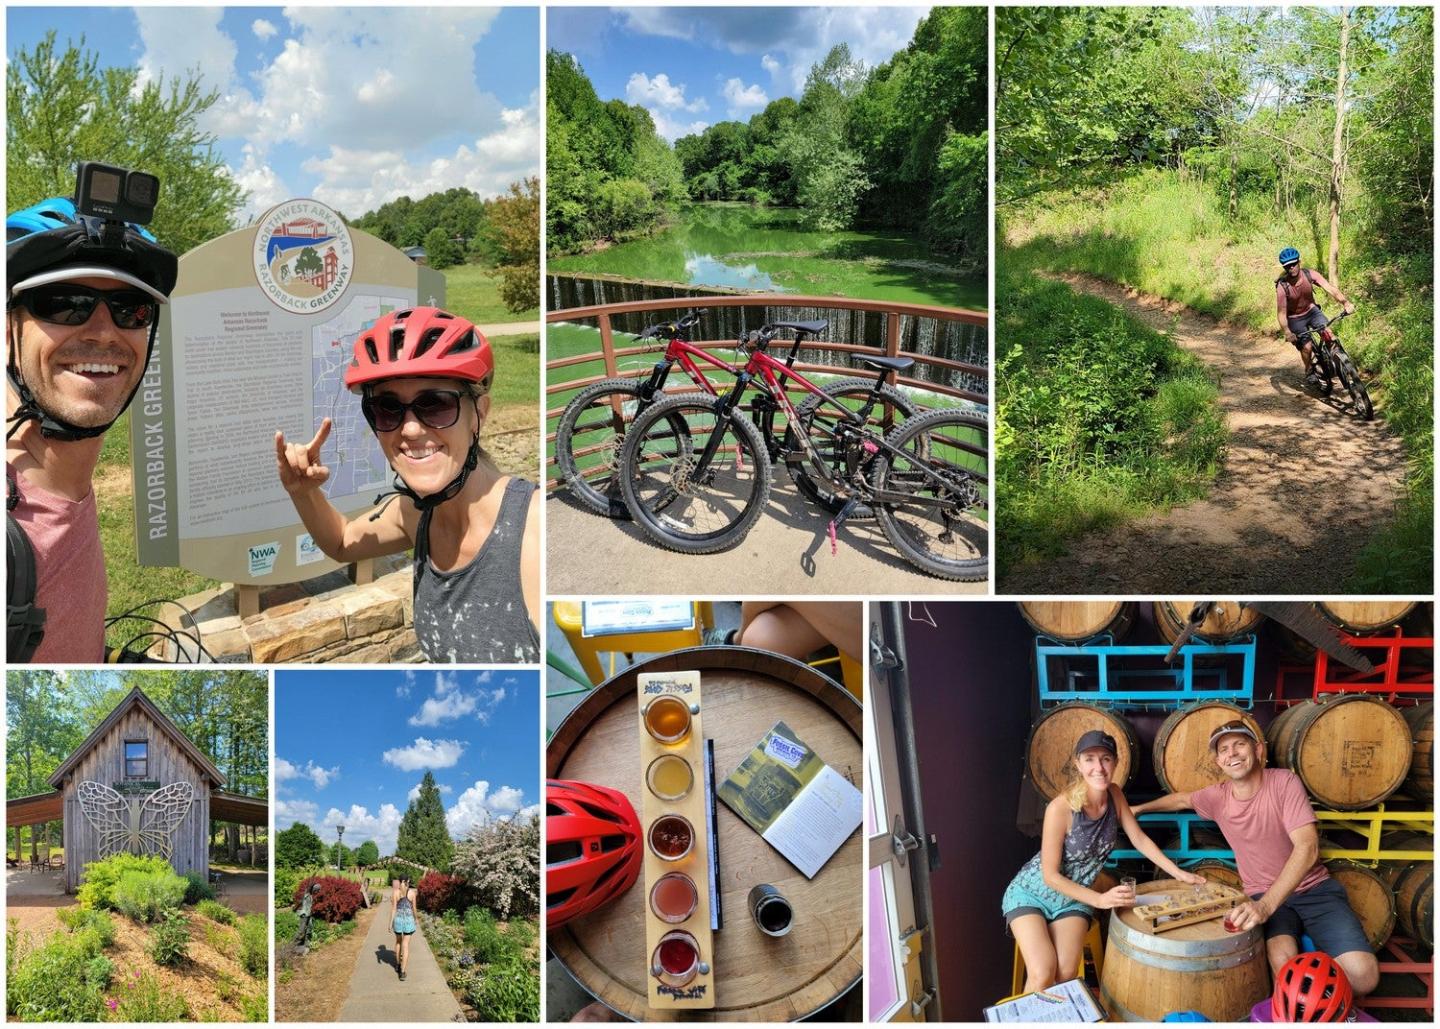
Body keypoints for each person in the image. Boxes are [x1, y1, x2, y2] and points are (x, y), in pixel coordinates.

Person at [274, 306, 539, 663]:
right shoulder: (415, 514)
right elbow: (341, 541)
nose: (410, 429)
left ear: (480, 414)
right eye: (388, 408)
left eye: (435, 405)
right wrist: (304, 492)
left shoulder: (532, 533)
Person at [6, 195, 178, 661]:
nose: (104, 331)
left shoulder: (64, 479)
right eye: (64, 304)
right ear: (7, 329)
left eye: (132, 308)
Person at [1131, 719, 1379, 997]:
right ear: (1218, 762)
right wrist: (1138, 809)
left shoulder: (1284, 782)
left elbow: (1307, 848)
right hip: (1262, 895)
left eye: (1239, 744)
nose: (1232, 753)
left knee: (1363, 977)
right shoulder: (1218, 797)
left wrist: (1265, 907)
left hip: (1314, 890)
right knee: (1284, 971)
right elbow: (1180, 800)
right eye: (1223, 749)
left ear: (1258, 750)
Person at [1003, 730, 1205, 994]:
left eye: (1106, 759)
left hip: (1076, 898)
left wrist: (1179, 873)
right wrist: (1099, 900)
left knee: (1064, 973)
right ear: (1078, 764)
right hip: (1032, 894)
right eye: (1089, 759)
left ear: (1116, 763)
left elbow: (1140, 840)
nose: (1098, 767)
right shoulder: (1060, 808)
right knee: (1042, 973)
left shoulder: (1115, 795)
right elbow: (1050, 876)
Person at [1275, 247, 1355, 387]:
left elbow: (1329, 288)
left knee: (1329, 334)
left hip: (1312, 311)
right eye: (1288, 266)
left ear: (1299, 262)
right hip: (1295, 318)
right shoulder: (1282, 286)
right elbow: (1281, 313)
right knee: (1306, 347)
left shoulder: (1309, 274)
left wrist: (1345, 302)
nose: (1292, 268)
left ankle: (1341, 364)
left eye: (1294, 264)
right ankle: (1309, 370)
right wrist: (1287, 332)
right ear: (1285, 267)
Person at [391, 873, 418, 981]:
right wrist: (416, 919)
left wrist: (390, 923)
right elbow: (414, 909)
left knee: (398, 942)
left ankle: (397, 964)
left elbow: (393, 909)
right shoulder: (412, 893)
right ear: (407, 881)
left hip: (398, 920)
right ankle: (402, 972)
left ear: (400, 881)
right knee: (405, 945)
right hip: (408, 921)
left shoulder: (395, 893)